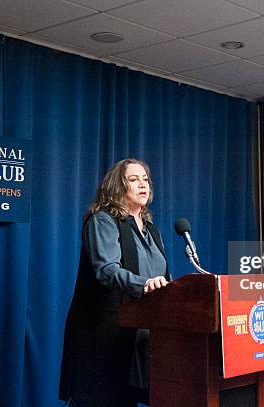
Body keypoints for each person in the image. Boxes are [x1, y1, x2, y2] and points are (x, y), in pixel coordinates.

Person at [59, 158, 170, 407]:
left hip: (141, 335)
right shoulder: (103, 220)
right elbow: (106, 270)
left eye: (145, 179)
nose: (143, 185)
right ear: (117, 187)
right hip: (106, 331)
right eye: (133, 179)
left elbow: (162, 276)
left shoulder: (150, 228)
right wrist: (144, 284)